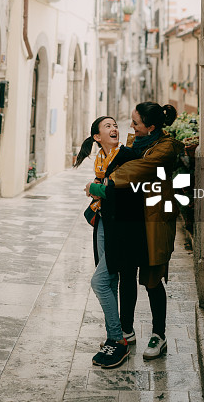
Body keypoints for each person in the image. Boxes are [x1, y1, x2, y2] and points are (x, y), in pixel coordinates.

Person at [104, 102, 182, 360]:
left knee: (152, 279)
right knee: (127, 275)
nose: (131, 126)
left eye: (136, 123)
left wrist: (109, 179)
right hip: (131, 219)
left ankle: (159, 335)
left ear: (151, 127)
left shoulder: (165, 148)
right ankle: (127, 330)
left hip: (153, 220)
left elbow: (136, 170)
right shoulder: (136, 142)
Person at [74, 116, 133, 369]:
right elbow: (106, 185)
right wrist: (97, 187)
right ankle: (117, 335)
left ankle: (117, 339)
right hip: (102, 220)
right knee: (109, 279)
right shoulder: (100, 159)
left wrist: (93, 188)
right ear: (97, 137)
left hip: (120, 226)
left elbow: (123, 191)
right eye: (108, 126)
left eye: (115, 125)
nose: (114, 128)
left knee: (98, 280)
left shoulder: (126, 155)